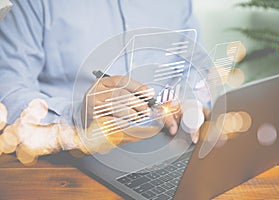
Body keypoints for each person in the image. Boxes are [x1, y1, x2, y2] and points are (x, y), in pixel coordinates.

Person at [0, 0, 203, 154]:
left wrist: (190, 100)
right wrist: (76, 114)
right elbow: (7, 90)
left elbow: (195, 66)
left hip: (168, 143)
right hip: (71, 154)